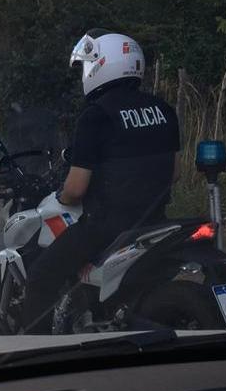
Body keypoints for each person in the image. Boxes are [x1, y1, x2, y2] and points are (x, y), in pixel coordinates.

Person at [22, 29, 181, 334]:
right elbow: (174, 173)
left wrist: (63, 196)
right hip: (155, 222)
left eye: (86, 65)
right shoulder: (163, 109)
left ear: (101, 64)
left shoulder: (96, 116)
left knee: (41, 277)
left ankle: (34, 351)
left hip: (108, 227)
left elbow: (76, 189)